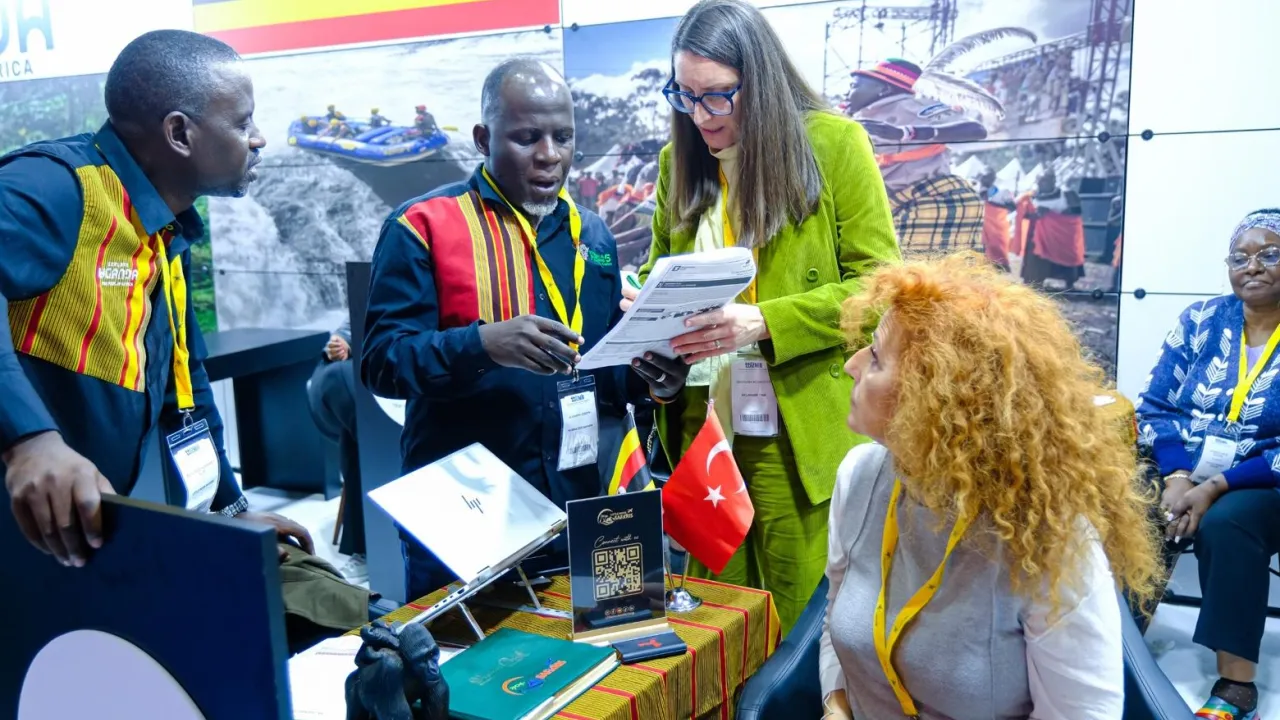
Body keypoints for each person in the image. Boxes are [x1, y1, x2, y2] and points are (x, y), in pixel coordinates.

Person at [361, 58, 688, 600]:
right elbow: (381, 362)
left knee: (600, 650)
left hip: (583, 503)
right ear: (482, 139)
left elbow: (602, 371)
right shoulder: (422, 226)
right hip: (467, 512)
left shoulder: (593, 236)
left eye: (563, 137)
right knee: (466, 652)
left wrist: (653, 380)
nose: (549, 155)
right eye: (527, 137)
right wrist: (483, 345)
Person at [625, 0, 899, 635]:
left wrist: (765, 321)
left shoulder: (833, 145)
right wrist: (648, 323)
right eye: (685, 96)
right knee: (715, 620)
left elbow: (880, 288)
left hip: (791, 425)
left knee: (800, 619)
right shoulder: (677, 162)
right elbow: (662, 273)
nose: (700, 115)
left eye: (718, 95)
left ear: (762, 81)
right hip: (701, 422)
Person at [0, 30, 315, 564]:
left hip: (70, 537)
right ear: (179, 133)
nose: (258, 139)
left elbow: (183, 385)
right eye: (242, 123)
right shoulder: (55, 186)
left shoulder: (163, 229)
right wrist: (28, 440)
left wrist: (229, 510)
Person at [821, 252, 1162, 720]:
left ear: (933, 397)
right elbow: (836, 619)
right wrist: (836, 704)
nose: (852, 365)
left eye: (876, 357)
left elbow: (1083, 712)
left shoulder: (1047, 537)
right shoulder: (859, 476)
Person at [1135, 209, 1280, 720]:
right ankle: (1115, 648)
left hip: (1263, 476)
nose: (1252, 266)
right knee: (1126, 502)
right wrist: (1177, 476)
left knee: (1227, 524)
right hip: (1184, 464)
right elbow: (1156, 406)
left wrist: (1215, 486)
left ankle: (1237, 685)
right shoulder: (1199, 320)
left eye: (1269, 254)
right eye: (1239, 258)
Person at [843, 58, 987, 256]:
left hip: (923, 201)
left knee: (915, 269)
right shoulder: (858, 115)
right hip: (884, 203)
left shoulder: (915, 106)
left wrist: (907, 133)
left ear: (884, 89)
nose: (847, 93)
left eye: (854, 86)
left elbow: (976, 130)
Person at [307, 317, 366, 573]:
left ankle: (366, 546)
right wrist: (343, 343)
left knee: (361, 433)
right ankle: (367, 546)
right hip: (343, 379)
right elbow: (354, 323)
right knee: (366, 425)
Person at [1013, 167, 1085, 290]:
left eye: (1045, 181)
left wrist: (1052, 214)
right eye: (1039, 181)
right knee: (1036, 256)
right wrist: (1034, 215)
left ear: (1053, 181)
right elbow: (1023, 214)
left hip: (1062, 235)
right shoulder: (1031, 196)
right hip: (1040, 234)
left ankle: (1069, 283)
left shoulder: (1067, 194)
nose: (1041, 184)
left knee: (1066, 258)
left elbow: (1077, 212)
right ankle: (1035, 281)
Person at [978, 168, 1014, 271]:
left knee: (997, 249)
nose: (985, 180)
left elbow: (1012, 207)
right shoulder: (975, 190)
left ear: (993, 179)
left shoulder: (1003, 191)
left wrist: (992, 205)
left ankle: (1001, 266)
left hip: (997, 226)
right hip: (981, 225)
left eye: (988, 177)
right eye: (983, 177)